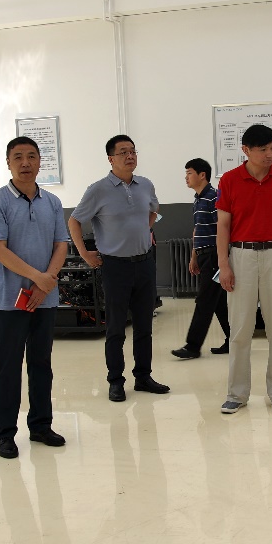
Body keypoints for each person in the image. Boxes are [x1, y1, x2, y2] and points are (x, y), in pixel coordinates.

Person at [0, 136, 70, 459]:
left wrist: (46, 285)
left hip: (44, 299)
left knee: (41, 364)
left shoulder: (52, 202)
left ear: (40, 162)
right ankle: (5, 433)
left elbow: (61, 244)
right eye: (18, 157)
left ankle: (41, 426)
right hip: (9, 301)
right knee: (7, 367)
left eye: (31, 156)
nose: (25, 163)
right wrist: (38, 278)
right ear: (8, 163)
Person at [216, 123, 272, 415]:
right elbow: (223, 226)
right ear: (245, 150)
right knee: (240, 329)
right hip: (241, 256)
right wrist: (224, 265)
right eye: (263, 150)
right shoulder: (230, 180)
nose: (270, 154)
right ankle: (236, 394)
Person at [69, 134, 169, 403]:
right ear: (110, 159)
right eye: (123, 152)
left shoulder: (145, 184)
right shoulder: (97, 190)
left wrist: (145, 229)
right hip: (115, 266)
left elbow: (154, 209)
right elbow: (74, 221)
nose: (130, 156)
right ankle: (115, 381)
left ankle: (143, 376)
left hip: (145, 263)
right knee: (115, 328)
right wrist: (84, 253)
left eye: (133, 151)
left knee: (144, 326)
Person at [172, 157, 230, 359]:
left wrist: (223, 259)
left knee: (205, 300)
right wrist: (193, 256)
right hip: (204, 255)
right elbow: (197, 230)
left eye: (189, 173)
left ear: (202, 175)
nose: (186, 177)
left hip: (214, 255)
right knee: (218, 301)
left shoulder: (214, 197)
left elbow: (223, 228)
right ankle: (234, 340)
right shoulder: (198, 199)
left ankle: (193, 346)